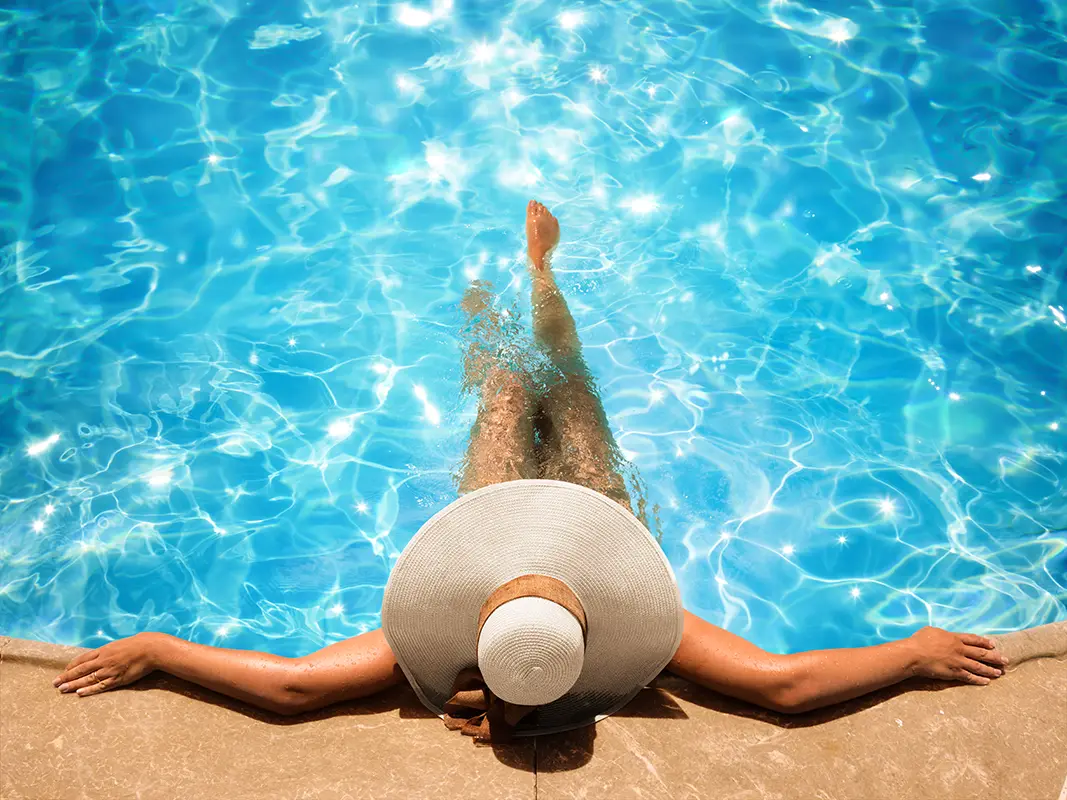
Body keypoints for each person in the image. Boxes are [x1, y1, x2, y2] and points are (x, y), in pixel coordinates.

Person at [52, 200, 1008, 742]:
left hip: (491, 509)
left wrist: (162, 649)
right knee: (566, 388)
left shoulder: (437, 637)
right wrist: (913, 649)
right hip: (598, 517)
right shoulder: (641, 635)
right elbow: (783, 688)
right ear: (590, 626)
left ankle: (525, 289)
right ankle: (530, 292)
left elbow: (298, 689)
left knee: (515, 391)